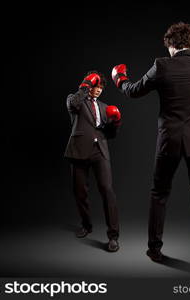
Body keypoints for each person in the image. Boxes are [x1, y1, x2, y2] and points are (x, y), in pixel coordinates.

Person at [111, 22, 190, 271]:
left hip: (169, 141)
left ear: (171, 44)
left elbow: (133, 91)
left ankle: (154, 249)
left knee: (159, 193)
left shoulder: (162, 65)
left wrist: (119, 78)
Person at [64, 71, 121, 252]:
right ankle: (86, 225)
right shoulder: (76, 100)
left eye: (101, 88)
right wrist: (86, 84)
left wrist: (115, 122)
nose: (98, 90)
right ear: (90, 85)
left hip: (100, 151)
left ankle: (113, 236)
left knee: (107, 191)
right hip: (79, 150)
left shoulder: (105, 107)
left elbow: (111, 135)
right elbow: (72, 104)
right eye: (96, 86)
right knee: (80, 192)